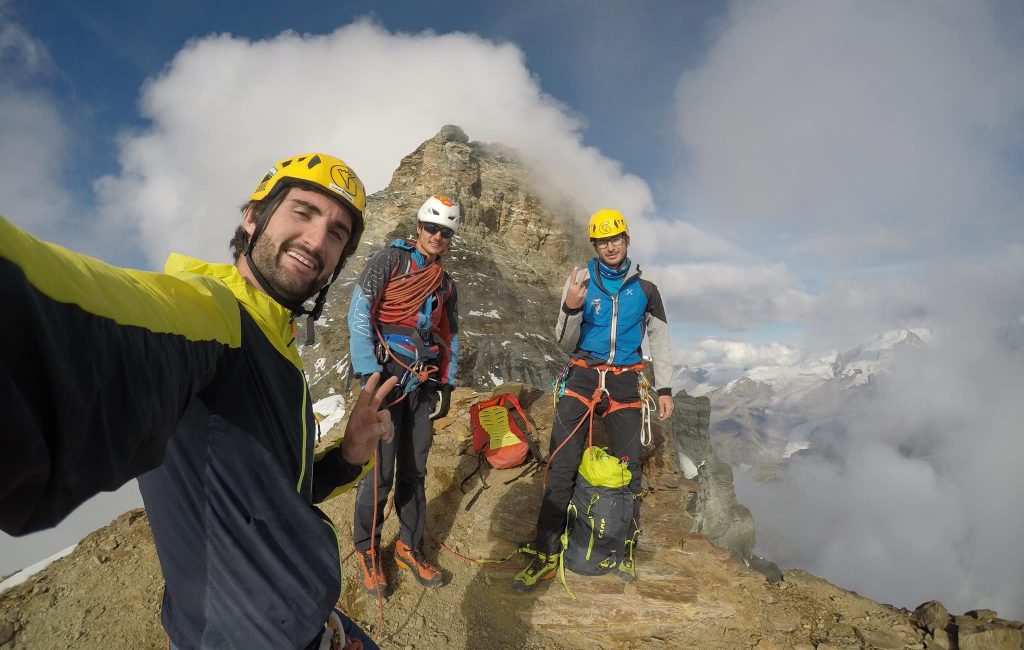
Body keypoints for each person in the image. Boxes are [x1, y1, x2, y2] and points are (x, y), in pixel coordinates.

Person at [0, 152, 397, 649]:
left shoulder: (277, 345)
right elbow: (81, 317)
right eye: (302, 211)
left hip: (301, 623)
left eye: (337, 232)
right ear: (252, 218)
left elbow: (277, 495)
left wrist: (352, 455)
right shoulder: (213, 316)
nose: (317, 241)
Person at [512, 208, 674, 592]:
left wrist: (665, 388)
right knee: (562, 463)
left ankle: (621, 548)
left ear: (626, 240)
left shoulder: (647, 287)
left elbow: (661, 339)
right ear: (595, 245)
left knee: (627, 469)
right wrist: (570, 306)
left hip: (626, 380)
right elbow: (563, 341)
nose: (611, 245)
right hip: (583, 375)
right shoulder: (582, 280)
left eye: (616, 238)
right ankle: (546, 551)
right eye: (603, 240)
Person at [347, 195, 460, 596]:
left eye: (445, 232)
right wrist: (368, 374)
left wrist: (447, 383)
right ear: (418, 228)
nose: (437, 236)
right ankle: (368, 549)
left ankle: (409, 546)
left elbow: (449, 335)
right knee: (380, 472)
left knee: (415, 470)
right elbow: (360, 310)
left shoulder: (445, 283)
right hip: (386, 376)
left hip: (423, 382)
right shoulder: (389, 261)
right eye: (432, 228)